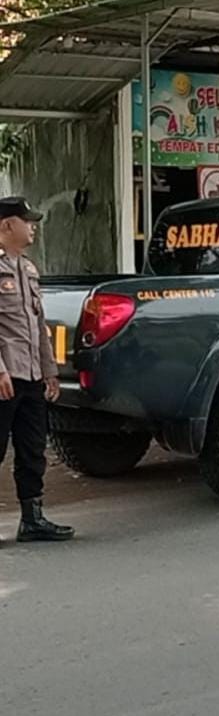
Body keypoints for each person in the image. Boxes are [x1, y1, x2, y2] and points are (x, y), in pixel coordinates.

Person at [0, 197, 74, 542]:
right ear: (6, 225)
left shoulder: (28, 269)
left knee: (32, 449)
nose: (33, 227)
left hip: (30, 376)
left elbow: (38, 325)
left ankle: (32, 519)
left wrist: (50, 370)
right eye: (26, 221)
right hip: (5, 376)